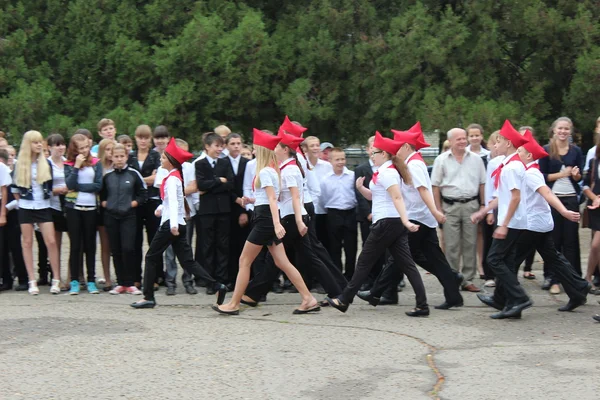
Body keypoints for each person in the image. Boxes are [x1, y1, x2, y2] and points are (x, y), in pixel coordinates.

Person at [474, 127, 589, 314]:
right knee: (552, 258)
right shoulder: (525, 169)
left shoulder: (529, 172)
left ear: (529, 156)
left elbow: (547, 192)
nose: (517, 153)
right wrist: (485, 210)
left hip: (532, 224)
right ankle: (578, 288)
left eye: (521, 151)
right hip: (535, 223)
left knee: (508, 260)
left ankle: (507, 298)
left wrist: (564, 211)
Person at [212, 129, 319, 315]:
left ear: (261, 150)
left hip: (265, 220)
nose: (252, 152)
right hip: (265, 216)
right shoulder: (270, 169)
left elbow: (272, 200)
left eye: (255, 148)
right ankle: (308, 298)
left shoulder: (266, 171)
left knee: (244, 260)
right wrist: (252, 200)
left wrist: (277, 224)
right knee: (282, 262)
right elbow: (267, 197)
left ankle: (234, 303)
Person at [361, 127, 464, 310]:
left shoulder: (414, 164)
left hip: (417, 217)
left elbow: (422, 189)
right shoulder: (412, 161)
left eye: (398, 146)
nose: (395, 149)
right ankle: (453, 291)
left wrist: (435, 211)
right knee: (431, 258)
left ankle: (376, 292)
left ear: (407, 146)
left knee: (397, 258)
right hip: (421, 217)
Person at [326, 132, 427, 316]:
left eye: (375, 152)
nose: (372, 155)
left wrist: (406, 221)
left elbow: (397, 197)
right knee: (407, 264)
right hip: (391, 221)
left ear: (385, 154)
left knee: (364, 261)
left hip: (387, 222)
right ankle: (422, 305)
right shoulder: (384, 172)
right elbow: (376, 196)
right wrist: (361, 188)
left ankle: (344, 299)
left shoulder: (387, 173)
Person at [242, 130, 347, 305]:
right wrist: (255, 199)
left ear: (285, 149)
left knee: (278, 258)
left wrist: (299, 221)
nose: (273, 149)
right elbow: (280, 195)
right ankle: (336, 292)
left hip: (291, 217)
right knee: (305, 256)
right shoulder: (287, 167)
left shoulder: (289, 169)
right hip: (292, 215)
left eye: (276, 146)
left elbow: (296, 197)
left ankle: (254, 294)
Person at [132, 138, 227, 309]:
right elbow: (172, 201)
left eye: (163, 158)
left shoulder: (172, 179)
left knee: (151, 257)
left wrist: (173, 224)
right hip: (177, 222)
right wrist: (162, 208)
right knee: (187, 261)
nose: (160, 159)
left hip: (172, 224)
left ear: (171, 160)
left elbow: (176, 203)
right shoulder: (174, 177)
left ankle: (148, 297)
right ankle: (217, 285)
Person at [472, 120, 532, 319]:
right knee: (507, 260)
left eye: (498, 141)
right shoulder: (508, 165)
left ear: (508, 143)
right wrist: (484, 211)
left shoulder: (512, 167)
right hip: (512, 220)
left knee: (494, 259)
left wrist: (504, 225)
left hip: (512, 221)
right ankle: (505, 301)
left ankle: (519, 297)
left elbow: (515, 197)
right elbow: (502, 196)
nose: (495, 145)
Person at [431, 128, 486, 292]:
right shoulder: (441, 160)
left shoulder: (476, 160)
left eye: (464, 138)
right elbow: (435, 186)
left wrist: (483, 205)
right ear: (451, 141)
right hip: (450, 206)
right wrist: (438, 209)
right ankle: (453, 278)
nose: (463, 142)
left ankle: (468, 279)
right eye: (459, 139)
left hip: (471, 205)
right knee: (451, 244)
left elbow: (483, 183)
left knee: (470, 243)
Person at [12, 131, 61, 295]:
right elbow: (15, 189)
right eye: (35, 142)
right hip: (26, 206)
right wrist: (23, 202)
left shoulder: (46, 164)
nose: (39, 145)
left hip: (44, 206)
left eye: (40, 142)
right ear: (28, 145)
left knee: (51, 241)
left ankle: (56, 279)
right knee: (27, 242)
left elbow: (50, 184)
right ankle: (32, 281)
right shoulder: (19, 164)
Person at [538, 117, 583, 294]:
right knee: (553, 240)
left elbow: (579, 179)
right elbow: (541, 177)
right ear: (554, 130)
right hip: (552, 199)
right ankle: (553, 278)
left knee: (571, 241)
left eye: (566, 129)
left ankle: (573, 278)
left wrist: (576, 175)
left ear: (570, 132)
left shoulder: (576, 151)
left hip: (571, 197)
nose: (563, 132)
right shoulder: (546, 150)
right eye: (560, 128)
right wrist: (561, 174)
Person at [101, 144, 146, 295]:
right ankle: (120, 283)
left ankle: (131, 282)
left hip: (129, 216)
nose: (119, 159)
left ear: (126, 157)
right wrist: (105, 204)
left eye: (122, 156)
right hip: (111, 217)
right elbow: (102, 195)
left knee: (128, 248)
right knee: (116, 249)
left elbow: (142, 194)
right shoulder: (107, 176)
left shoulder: (134, 174)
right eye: (116, 156)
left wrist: (132, 204)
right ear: (111, 157)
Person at [195, 132, 234, 294]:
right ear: (207, 146)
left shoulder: (225, 163)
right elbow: (202, 184)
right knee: (207, 246)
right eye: (216, 146)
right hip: (207, 211)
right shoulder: (200, 164)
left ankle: (222, 280)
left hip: (223, 210)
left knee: (223, 245)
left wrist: (214, 185)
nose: (219, 149)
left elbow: (230, 184)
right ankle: (210, 281)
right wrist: (219, 181)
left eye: (221, 146)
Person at [64, 133, 103, 295]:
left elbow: (98, 185)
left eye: (87, 147)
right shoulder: (68, 164)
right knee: (75, 246)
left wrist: (79, 187)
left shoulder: (96, 163)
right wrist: (76, 167)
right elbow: (69, 184)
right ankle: (74, 281)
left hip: (91, 208)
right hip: (74, 208)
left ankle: (91, 280)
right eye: (81, 148)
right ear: (74, 149)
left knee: (90, 245)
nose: (85, 151)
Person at [128, 125, 162, 287]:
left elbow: (157, 179)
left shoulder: (155, 156)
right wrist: (146, 179)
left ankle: (154, 277)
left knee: (153, 240)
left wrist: (138, 179)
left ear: (150, 139)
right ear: (135, 138)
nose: (143, 141)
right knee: (135, 241)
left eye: (146, 137)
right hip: (135, 203)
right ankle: (135, 277)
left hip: (152, 201)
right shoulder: (130, 156)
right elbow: (128, 179)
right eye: (140, 137)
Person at [320, 148, 358, 279]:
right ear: (330, 161)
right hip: (333, 213)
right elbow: (324, 198)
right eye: (337, 159)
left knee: (351, 246)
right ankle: (337, 275)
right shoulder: (325, 179)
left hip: (350, 213)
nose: (341, 162)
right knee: (334, 247)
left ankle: (350, 275)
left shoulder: (352, 176)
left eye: (343, 159)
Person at [225, 133, 250, 289]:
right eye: (232, 143)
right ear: (227, 145)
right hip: (227, 208)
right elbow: (224, 187)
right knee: (229, 246)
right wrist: (234, 199)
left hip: (244, 207)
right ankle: (230, 278)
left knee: (244, 245)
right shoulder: (223, 162)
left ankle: (246, 278)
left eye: (238, 143)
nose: (236, 146)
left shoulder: (248, 163)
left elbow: (247, 187)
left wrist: (244, 210)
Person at [302, 135, 333, 252]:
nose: (315, 148)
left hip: (324, 210)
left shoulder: (327, 166)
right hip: (308, 211)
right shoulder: (302, 164)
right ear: (305, 148)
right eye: (312, 145)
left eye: (317, 145)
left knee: (325, 243)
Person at [46, 134, 68, 288]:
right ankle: (56, 277)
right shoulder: (46, 165)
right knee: (55, 244)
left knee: (75, 243)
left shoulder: (68, 162)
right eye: (57, 145)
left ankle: (71, 278)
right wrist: (58, 190)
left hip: (69, 206)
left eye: (62, 144)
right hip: (53, 206)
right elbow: (44, 188)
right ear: (49, 147)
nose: (60, 147)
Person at [97, 139, 115, 290]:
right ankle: (106, 277)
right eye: (107, 149)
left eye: (112, 149)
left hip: (116, 207)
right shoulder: (98, 167)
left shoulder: (118, 166)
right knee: (104, 245)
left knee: (114, 245)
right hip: (101, 208)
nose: (110, 152)